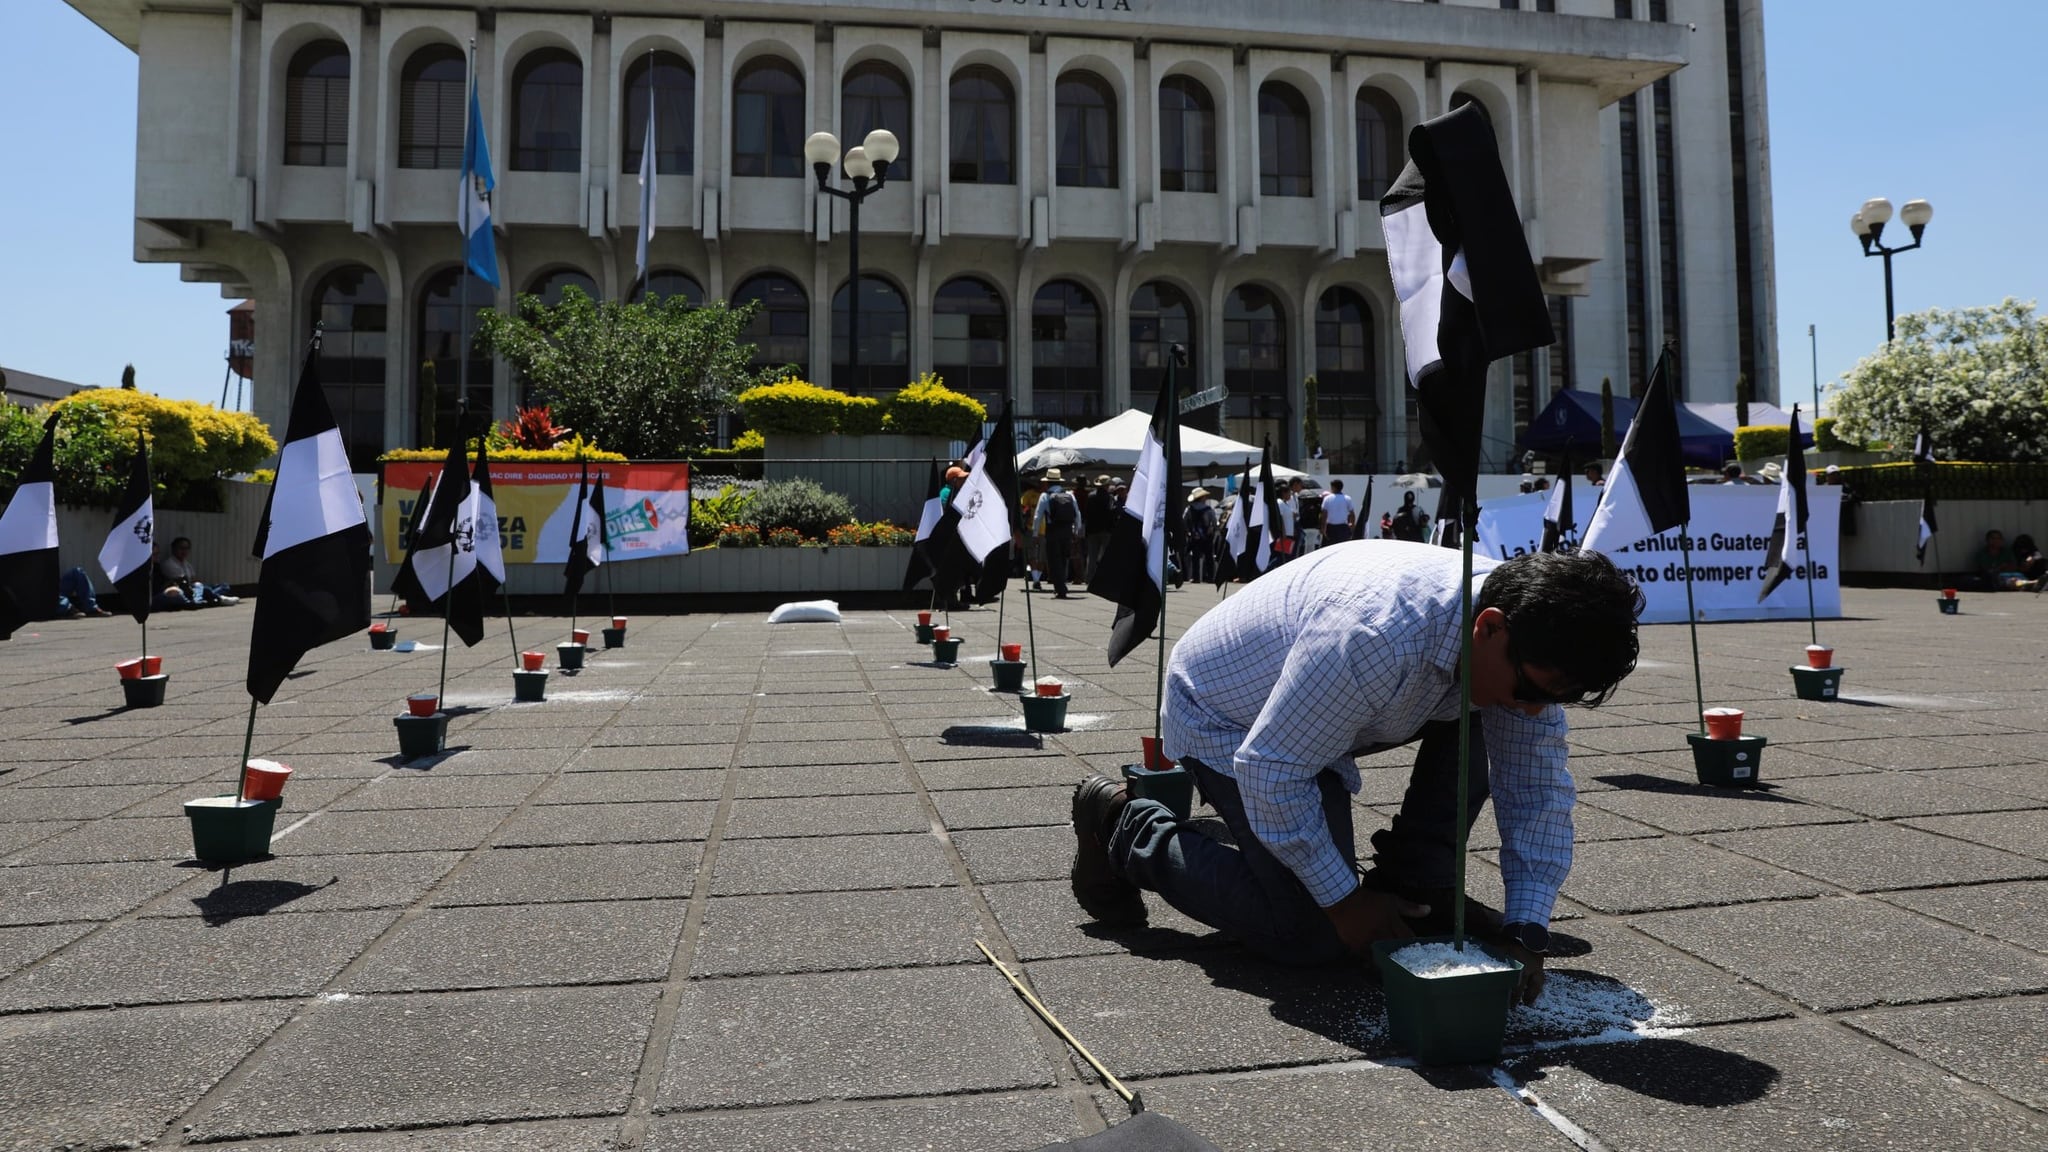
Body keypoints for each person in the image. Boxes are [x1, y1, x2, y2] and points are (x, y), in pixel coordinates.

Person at [1068, 544, 1645, 1004]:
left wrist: (1527, 931)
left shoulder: (1524, 632)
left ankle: (1416, 886)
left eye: (1557, 698)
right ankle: (1125, 824)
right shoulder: (1374, 636)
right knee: (1308, 934)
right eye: (1533, 689)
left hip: (1347, 703)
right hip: (1229, 718)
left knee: (1493, 721)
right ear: (1489, 628)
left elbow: (1536, 792)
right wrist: (1343, 903)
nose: (1535, 709)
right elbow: (1274, 770)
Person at [1033, 468, 1084, 598]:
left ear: (1048, 482)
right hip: (1067, 530)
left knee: (1053, 560)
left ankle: (1060, 588)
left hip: (1052, 530)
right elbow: (1077, 513)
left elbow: (1037, 516)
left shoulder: (1045, 496)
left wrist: (1035, 534)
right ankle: (1062, 585)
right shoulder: (1069, 495)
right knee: (1063, 559)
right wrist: (1077, 530)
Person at [159, 536, 240, 607]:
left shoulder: (187, 564)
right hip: (182, 590)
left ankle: (212, 597)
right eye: (181, 548)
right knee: (201, 587)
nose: (184, 551)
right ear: (174, 549)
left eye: (186, 548)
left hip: (193, 589)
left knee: (224, 586)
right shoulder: (169, 564)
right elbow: (183, 582)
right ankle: (210, 599)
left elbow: (194, 579)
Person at [1082, 475, 1118, 585]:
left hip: (1092, 530)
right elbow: (1112, 514)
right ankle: (1104, 579)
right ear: (1106, 486)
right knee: (1105, 556)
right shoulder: (1110, 498)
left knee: (1092, 556)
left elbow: (1086, 514)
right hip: (1106, 530)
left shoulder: (1091, 496)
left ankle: (1089, 578)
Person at [1183, 488, 1218, 585]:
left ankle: (1196, 578)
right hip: (1206, 536)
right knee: (1209, 558)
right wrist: (1212, 529)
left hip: (1195, 536)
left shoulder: (1189, 509)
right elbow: (1214, 523)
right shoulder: (1208, 509)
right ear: (1202, 497)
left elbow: (1184, 522)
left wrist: (1188, 532)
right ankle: (1211, 577)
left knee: (1195, 558)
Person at [1019, 481, 1044, 584]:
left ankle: (1036, 577)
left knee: (1042, 557)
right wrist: (1026, 511)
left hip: (1044, 530)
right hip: (1031, 528)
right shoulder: (1029, 494)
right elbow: (1022, 507)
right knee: (1032, 555)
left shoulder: (1047, 495)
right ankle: (1036, 579)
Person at [1319, 479, 1355, 546]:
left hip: (1330, 528)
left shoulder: (1327, 498)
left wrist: (1323, 528)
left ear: (1333, 487)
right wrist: (1352, 526)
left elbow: (1324, 514)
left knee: (1329, 548)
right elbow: (1352, 513)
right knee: (1342, 547)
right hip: (1343, 527)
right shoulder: (1347, 498)